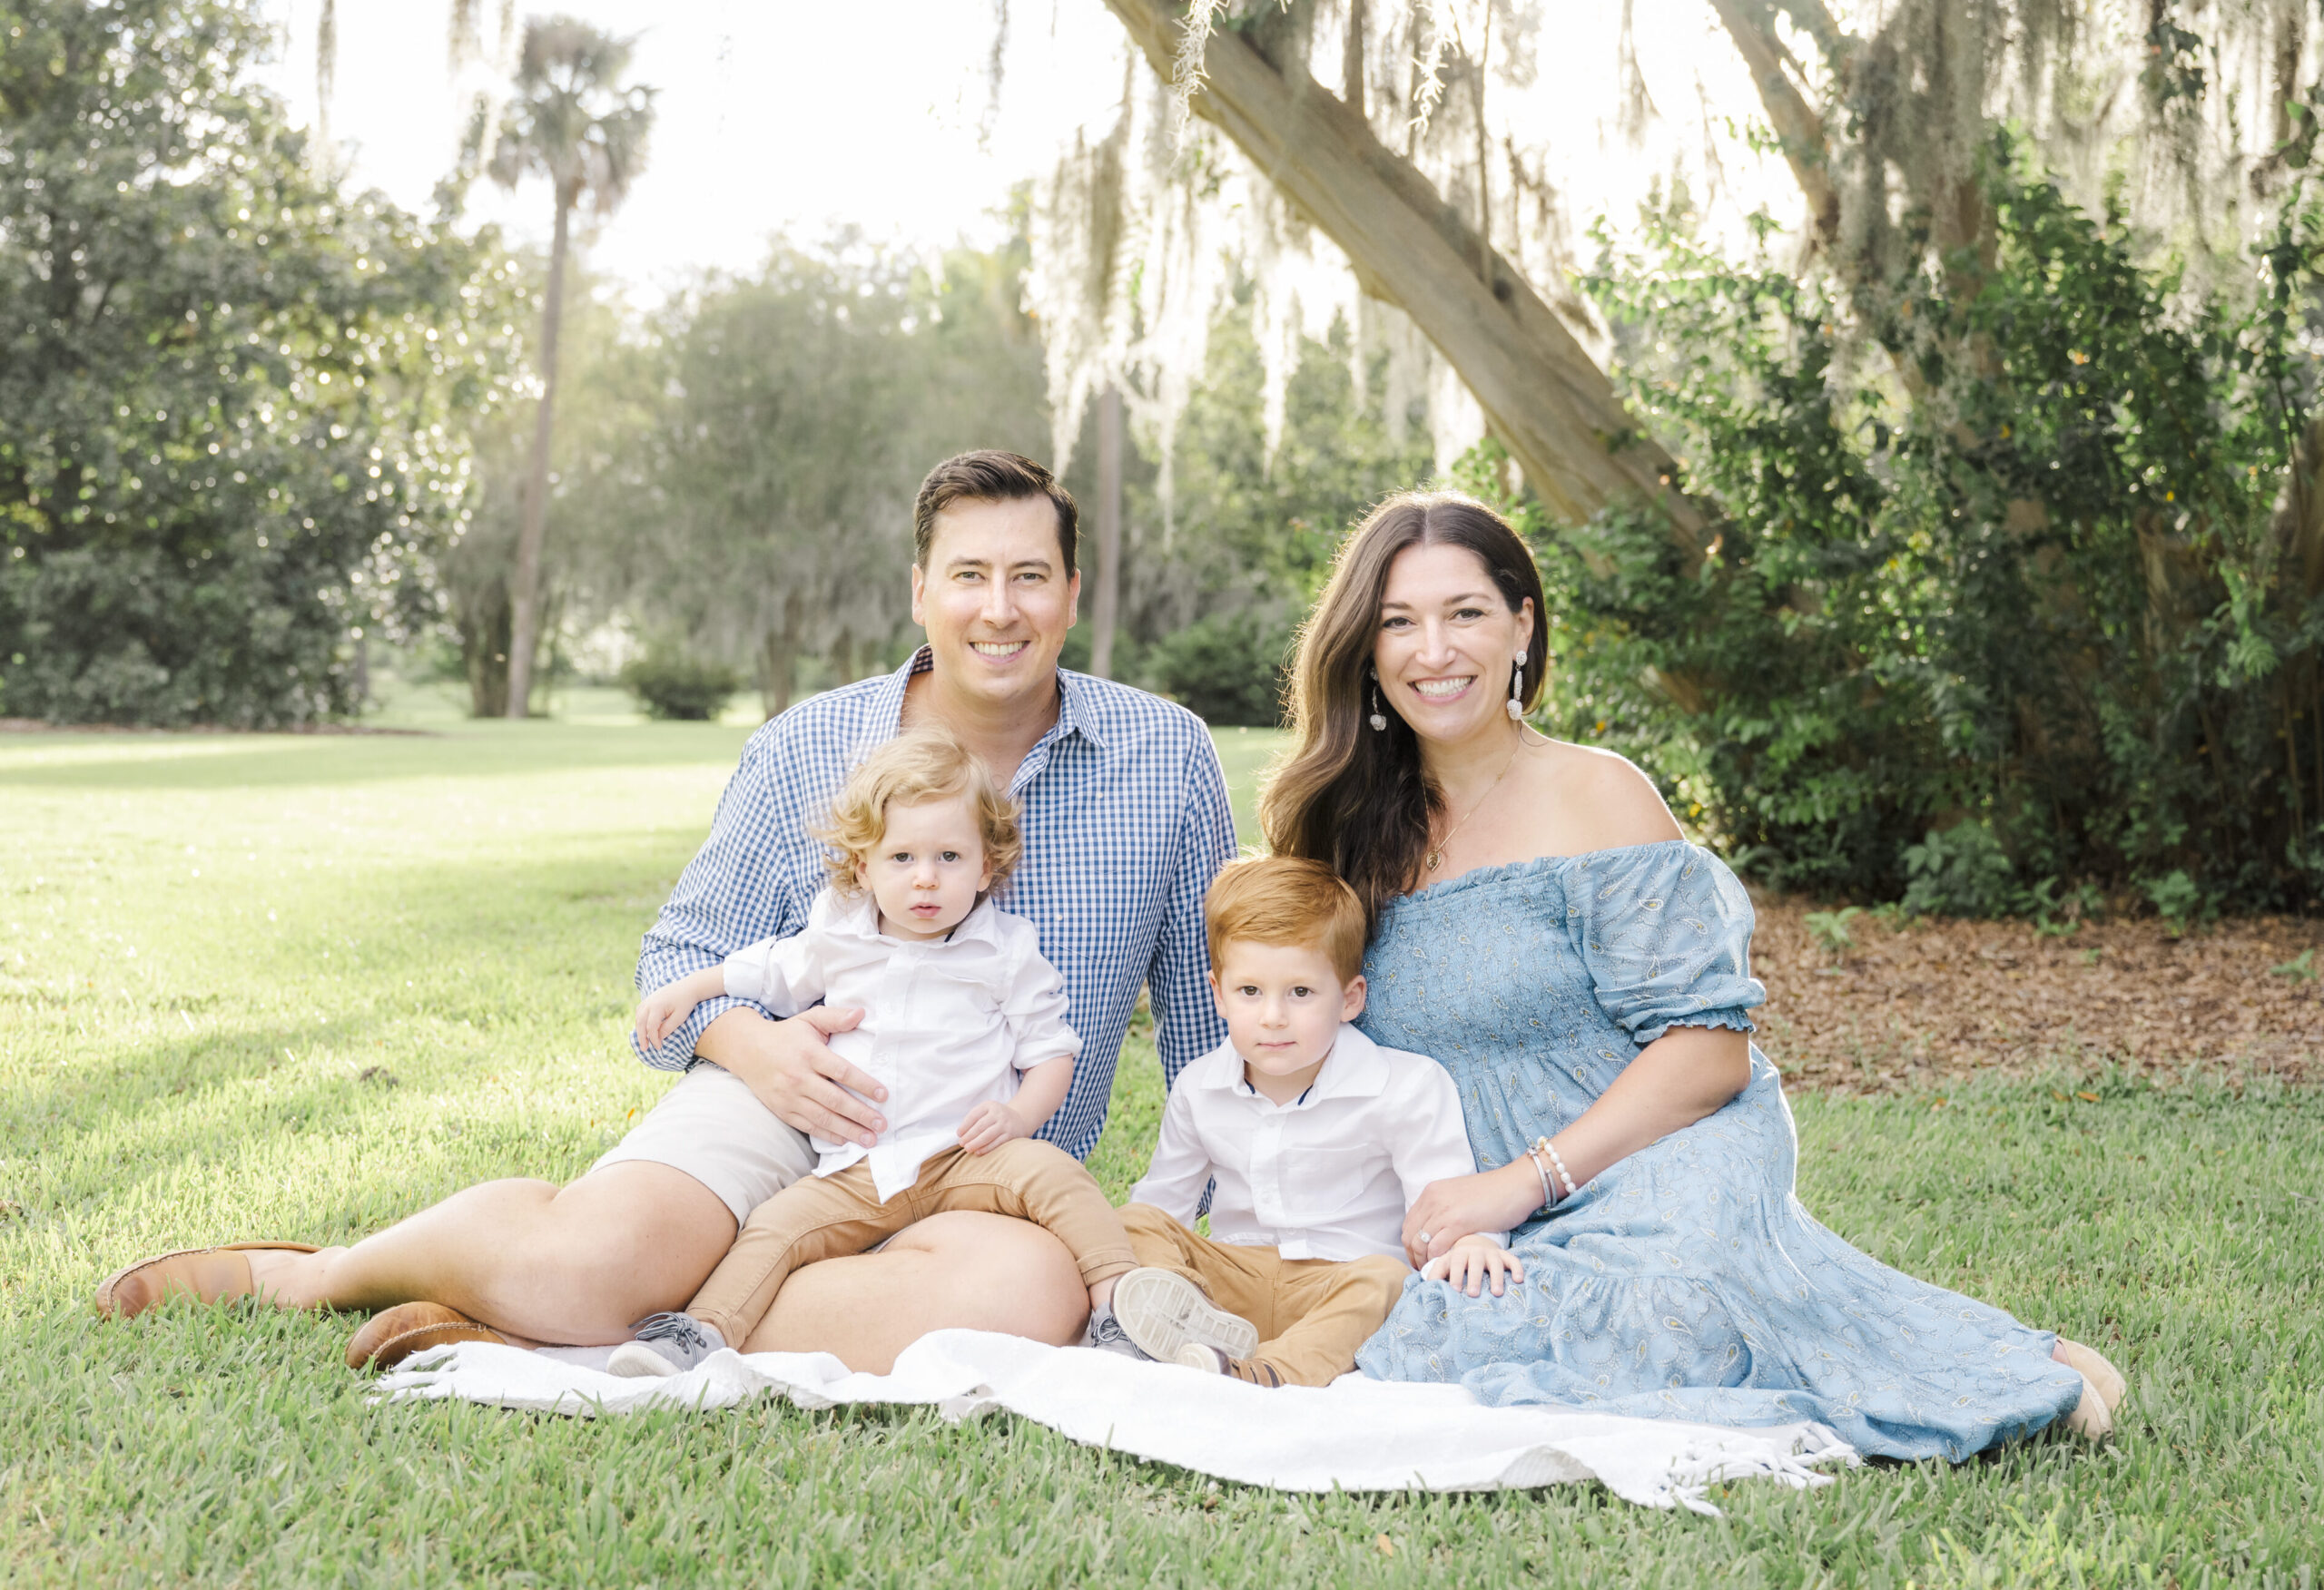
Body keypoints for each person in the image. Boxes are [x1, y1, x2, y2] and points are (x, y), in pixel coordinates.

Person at [94, 451, 1236, 1374]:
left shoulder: (1161, 756)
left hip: (974, 1161)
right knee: (583, 1261)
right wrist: (760, 1049)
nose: (1000, 608)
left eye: (1030, 575)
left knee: (1021, 1297)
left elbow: (1208, 1019)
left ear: (1073, 594)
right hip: (777, 1107)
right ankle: (320, 1272)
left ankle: (566, 1335)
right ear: (921, 591)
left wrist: (1243, 1218)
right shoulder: (808, 744)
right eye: (970, 575)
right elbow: (682, 956)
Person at [1262, 489, 2129, 1459]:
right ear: (1364, 649)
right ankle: (1992, 1353)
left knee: (1639, 1312)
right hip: (1449, 1193)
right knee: (1429, 1321)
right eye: (1397, 622)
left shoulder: (1598, 794)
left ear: (1521, 625)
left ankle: (1983, 1375)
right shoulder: (1341, 829)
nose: (1434, 650)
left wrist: (1521, 1184)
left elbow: (1709, 1054)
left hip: (1649, 1149)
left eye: (1464, 613)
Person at [606, 728, 1137, 1378]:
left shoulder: (1004, 950)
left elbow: (1051, 1052)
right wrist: (694, 985)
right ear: (864, 867)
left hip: (965, 1158)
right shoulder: (840, 931)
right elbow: (773, 971)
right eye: (902, 858)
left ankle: (1121, 1308)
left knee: (1056, 1176)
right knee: (775, 1228)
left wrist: (1021, 1118)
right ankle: (703, 1333)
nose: (925, 879)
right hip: (862, 1166)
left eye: (949, 857)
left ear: (985, 868)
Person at [1097, 855, 1519, 1388]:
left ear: (1349, 998)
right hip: (1234, 1281)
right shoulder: (1198, 1087)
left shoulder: (1404, 1086)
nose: (1273, 1016)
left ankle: (1259, 1375)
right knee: (1133, 1222)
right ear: (1218, 995)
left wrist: (1472, 1240)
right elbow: (1165, 1203)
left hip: (1340, 1280)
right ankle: (1182, 1325)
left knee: (1387, 1281)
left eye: (1300, 992)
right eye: (1250, 991)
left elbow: (1444, 1196)